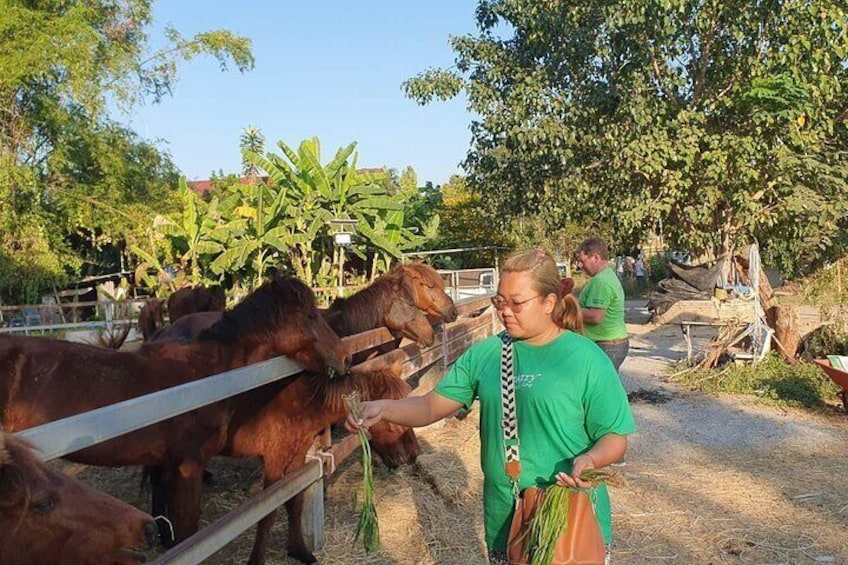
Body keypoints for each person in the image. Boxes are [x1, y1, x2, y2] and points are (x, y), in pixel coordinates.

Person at [346, 248, 636, 564]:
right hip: (504, 515)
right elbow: (432, 406)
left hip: (570, 515)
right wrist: (384, 409)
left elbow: (615, 439)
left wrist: (591, 459)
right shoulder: (486, 354)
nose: (505, 311)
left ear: (548, 302)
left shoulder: (586, 359)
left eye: (517, 303)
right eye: (500, 301)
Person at [576, 237, 630, 371]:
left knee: (601, 389)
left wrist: (569, 309)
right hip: (610, 345)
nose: (580, 266)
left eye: (583, 261)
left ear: (595, 257)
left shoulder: (601, 281)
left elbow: (596, 316)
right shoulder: (606, 276)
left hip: (607, 346)